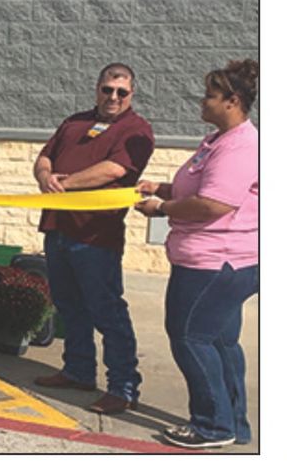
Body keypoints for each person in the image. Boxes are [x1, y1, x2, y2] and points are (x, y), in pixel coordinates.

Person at [134, 59, 258, 450]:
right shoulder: (218, 140)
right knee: (218, 341)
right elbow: (198, 189)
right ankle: (233, 422)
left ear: (232, 101)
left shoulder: (241, 145)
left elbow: (214, 204)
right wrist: (164, 187)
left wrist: (162, 208)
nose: (201, 102)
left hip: (215, 262)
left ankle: (212, 426)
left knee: (188, 336)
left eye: (210, 95)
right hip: (217, 261)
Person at [32, 62, 154, 414]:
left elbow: (115, 170)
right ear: (97, 88)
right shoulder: (75, 121)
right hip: (58, 229)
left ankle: (123, 386)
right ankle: (78, 370)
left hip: (95, 235)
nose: (113, 97)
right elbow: (45, 157)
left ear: (131, 94)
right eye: (107, 89)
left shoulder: (137, 130)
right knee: (70, 305)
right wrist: (45, 177)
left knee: (107, 310)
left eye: (121, 92)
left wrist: (64, 184)